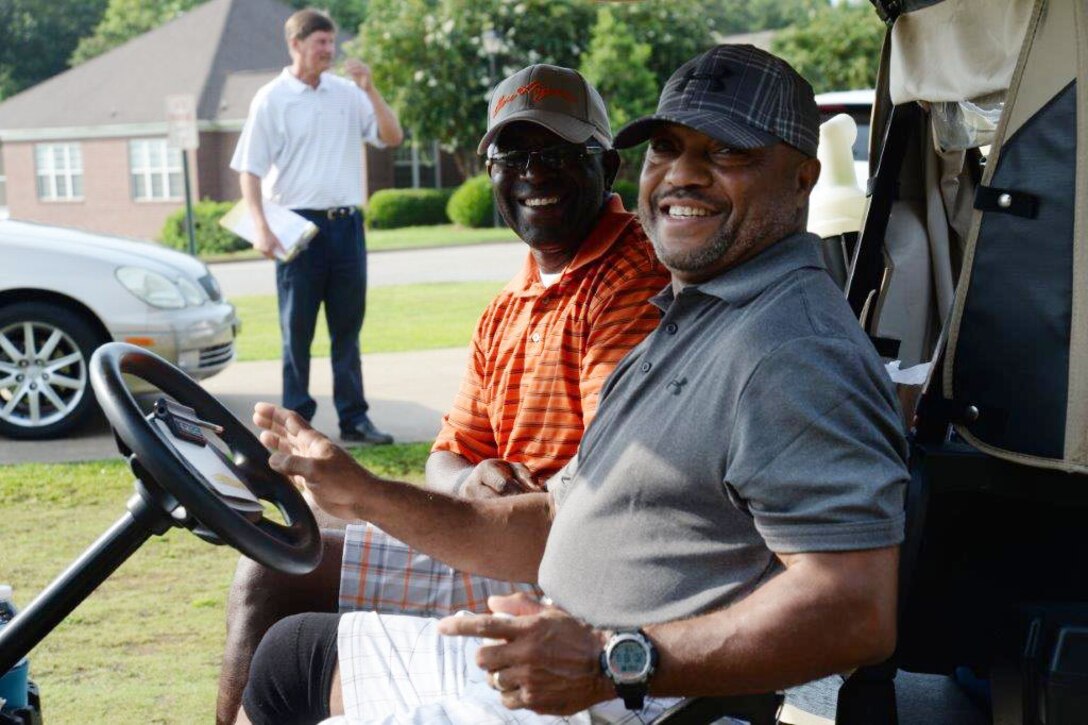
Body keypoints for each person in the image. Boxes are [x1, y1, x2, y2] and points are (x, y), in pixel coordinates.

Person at [240, 44, 908, 725]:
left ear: (803, 178)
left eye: (725, 153)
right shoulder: (692, 319)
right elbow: (552, 518)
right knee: (295, 656)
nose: (683, 175)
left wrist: (608, 661)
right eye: (668, 148)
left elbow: (855, 606)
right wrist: (364, 493)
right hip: (562, 649)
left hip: (614, 695)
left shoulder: (792, 350)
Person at [215, 64, 670, 724]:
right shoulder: (505, 309)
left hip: (556, 560)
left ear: (608, 164)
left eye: (556, 154)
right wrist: (470, 479)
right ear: (489, 173)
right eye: (511, 154)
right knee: (278, 557)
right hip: (496, 536)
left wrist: (382, 493)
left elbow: (597, 490)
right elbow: (447, 455)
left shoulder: (628, 278)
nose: (532, 173)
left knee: (278, 576)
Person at [230, 7, 402, 446]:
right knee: (298, 332)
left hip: (346, 227)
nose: (329, 50)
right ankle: (297, 425)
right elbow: (249, 170)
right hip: (296, 228)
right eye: (320, 43)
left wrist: (370, 89)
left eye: (331, 42)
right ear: (296, 44)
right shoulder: (271, 98)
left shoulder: (348, 93)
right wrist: (262, 227)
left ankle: (354, 419)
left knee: (347, 329)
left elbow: (392, 136)